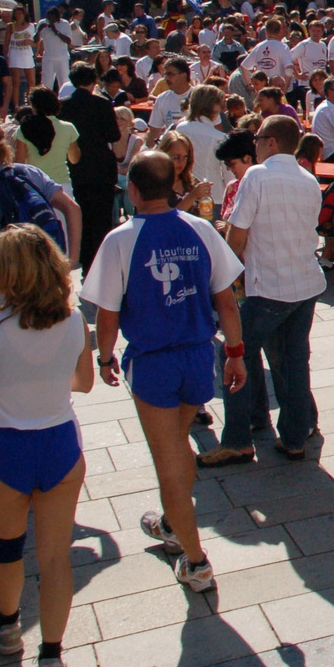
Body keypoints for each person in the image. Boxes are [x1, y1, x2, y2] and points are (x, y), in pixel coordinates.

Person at [83, 152, 247, 594]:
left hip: (154, 362)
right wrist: (235, 353)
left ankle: (195, 559)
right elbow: (227, 299)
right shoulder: (200, 228)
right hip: (198, 356)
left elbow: (107, 311)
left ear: (132, 190)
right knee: (176, 446)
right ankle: (173, 522)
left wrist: (104, 357)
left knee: (169, 459)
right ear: (172, 186)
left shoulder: (120, 239)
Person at [0, 225, 94, 667]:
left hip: (7, 449)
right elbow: (85, 383)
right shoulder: (75, 320)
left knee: (6, 547)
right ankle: (52, 654)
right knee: (56, 557)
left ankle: (10, 626)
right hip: (59, 443)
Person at [200, 116, 325, 466]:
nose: (253, 144)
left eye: (257, 138)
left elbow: (237, 235)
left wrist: (221, 278)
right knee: (295, 360)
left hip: (269, 285)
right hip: (305, 282)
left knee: (234, 354)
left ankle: (239, 438)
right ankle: (296, 436)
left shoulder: (257, 175)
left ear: (270, 142)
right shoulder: (308, 179)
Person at [0, 113, 82, 265]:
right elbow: (72, 208)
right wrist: (71, 259)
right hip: (46, 267)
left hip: (11, 277)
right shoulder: (29, 173)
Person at [60, 64, 125, 273]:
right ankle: (99, 258)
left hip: (76, 165)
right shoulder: (103, 104)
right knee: (102, 216)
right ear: (93, 82)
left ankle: (83, 255)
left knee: (81, 212)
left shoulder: (63, 106)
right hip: (101, 167)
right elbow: (113, 136)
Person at [12, 88, 80, 195]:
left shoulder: (24, 128)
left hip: (34, 183)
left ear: (34, 107)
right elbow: (74, 159)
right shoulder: (68, 127)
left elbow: (19, 162)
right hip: (61, 184)